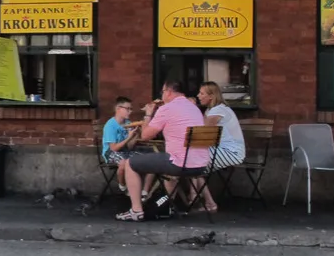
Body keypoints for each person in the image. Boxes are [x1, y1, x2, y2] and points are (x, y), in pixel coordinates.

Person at [116, 80, 209, 222]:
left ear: (169, 92)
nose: (162, 95)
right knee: (165, 166)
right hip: (201, 165)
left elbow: (145, 135)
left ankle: (136, 210)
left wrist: (148, 114)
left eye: (163, 92)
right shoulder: (194, 108)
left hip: (180, 164)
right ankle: (166, 205)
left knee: (130, 163)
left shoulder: (166, 109)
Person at [193, 81, 247, 213]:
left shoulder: (219, 110)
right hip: (220, 149)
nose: (198, 96)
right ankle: (204, 201)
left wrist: (192, 108)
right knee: (193, 163)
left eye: (202, 93)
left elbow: (202, 132)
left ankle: (196, 199)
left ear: (211, 96)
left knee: (192, 163)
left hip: (231, 152)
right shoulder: (211, 110)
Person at [102, 97, 142, 194]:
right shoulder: (110, 125)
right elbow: (114, 148)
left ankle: (143, 192)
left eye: (131, 109)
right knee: (124, 163)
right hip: (110, 152)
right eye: (127, 109)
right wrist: (128, 137)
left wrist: (136, 136)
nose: (130, 112)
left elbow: (129, 147)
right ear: (118, 109)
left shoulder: (128, 123)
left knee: (146, 159)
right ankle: (122, 186)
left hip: (125, 151)